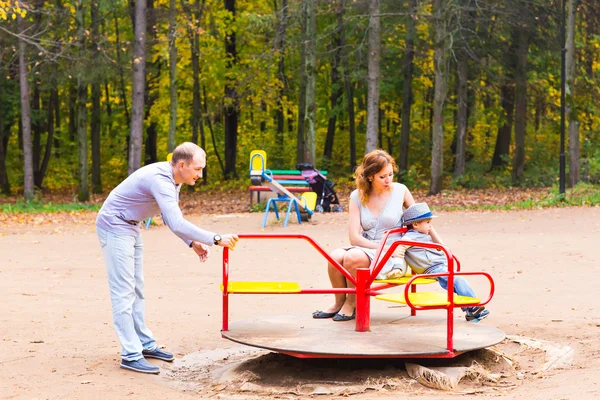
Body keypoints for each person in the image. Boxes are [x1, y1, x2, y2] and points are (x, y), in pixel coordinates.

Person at [96, 142, 239, 374]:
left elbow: (168, 216)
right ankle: (130, 355)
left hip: (130, 226)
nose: (200, 174)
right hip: (114, 225)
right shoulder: (161, 180)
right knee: (123, 291)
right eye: (197, 169)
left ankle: (144, 345)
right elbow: (176, 222)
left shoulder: (175, 179)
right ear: (181, 165)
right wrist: (215, 238)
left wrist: (192, 242)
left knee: (137, 289)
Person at [312, 149, 443, 322]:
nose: (388, 180)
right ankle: (338, 302)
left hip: (394, 253)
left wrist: (440, 245)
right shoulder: (357, 196)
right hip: (369, 246)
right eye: (382, 176)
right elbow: (354, 237)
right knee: (335, 257)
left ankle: (352, 303)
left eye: (390, 174)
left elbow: (423, 219)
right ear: (370, 176)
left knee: (352, 257)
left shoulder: (400, 191)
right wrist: (381, 247)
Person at [398, 202, 490, 322]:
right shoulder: (410, 236)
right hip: (432, 268)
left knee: (456, 282)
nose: (430, 226)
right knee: (457, 280)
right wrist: (397, 260)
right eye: (428, 223)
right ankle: (473, 307)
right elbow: (400, 246)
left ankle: (471, 310)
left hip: (438, 265)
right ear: (415, 224)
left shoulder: (423, 234)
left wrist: (431, 232)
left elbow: (441, 246)